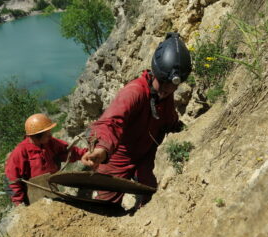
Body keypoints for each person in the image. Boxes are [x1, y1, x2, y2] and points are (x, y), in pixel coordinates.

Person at [81, 32, 192, 207]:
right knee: (105, 204)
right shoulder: (134, 92)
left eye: (173, 86)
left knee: (151, 197)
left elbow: (168, 118)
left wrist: (181, 128)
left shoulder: (165, 93)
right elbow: (110, 121)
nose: (167, 90)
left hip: (147, 154)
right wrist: (101, 149)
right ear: (156, 73)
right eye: (164, 83)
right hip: (119, 156)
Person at [5, 113, 87, 206]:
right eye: (47, 133)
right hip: (33, 197)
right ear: (37, 136)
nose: (50, 135)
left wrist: (85, 154)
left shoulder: (50, 142)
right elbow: (12, 180)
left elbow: (68, 151)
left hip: (51, 189)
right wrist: (19, 203)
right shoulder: (20, 151)